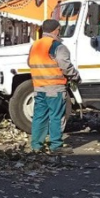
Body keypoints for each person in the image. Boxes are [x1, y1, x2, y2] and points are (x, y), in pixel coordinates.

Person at [28, 19, 81, 153]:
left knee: (39, 116)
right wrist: (75, 76)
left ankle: (36, 145)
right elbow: (65, 66)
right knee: (56, 116)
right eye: (59, 29)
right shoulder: (57, 46)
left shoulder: (35, 45)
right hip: (55, 87)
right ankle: (56, 146)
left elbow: (29, 62)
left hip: (39, 87)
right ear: (56, 30)